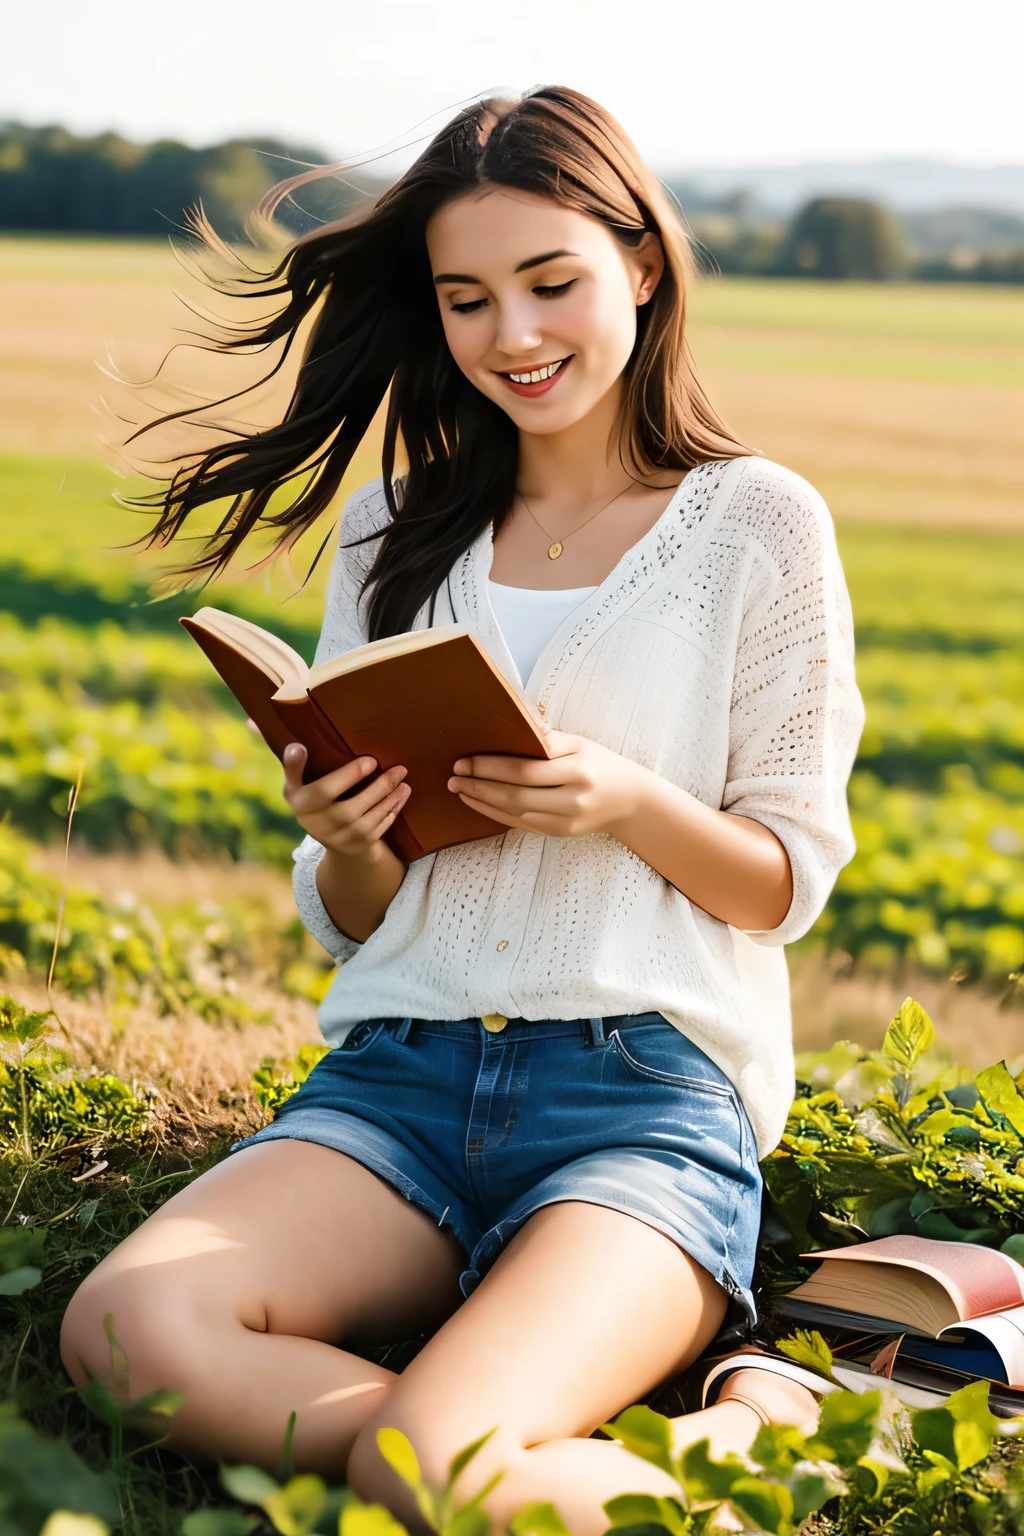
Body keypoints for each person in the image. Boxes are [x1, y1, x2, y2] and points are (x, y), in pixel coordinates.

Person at [61, 87, 865, 1534]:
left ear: (641, 264)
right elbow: (355, 914)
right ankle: (471, 1437)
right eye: (467, 299)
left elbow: (779, 885)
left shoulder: (758, 522)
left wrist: (622, 802)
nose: (514, 336)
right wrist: (355, 836)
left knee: (430, 1470)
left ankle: (754, 1425)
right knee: (124, 1333)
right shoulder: (393, 528)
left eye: (550, 282)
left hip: (641, 1101)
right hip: (399, 1082)